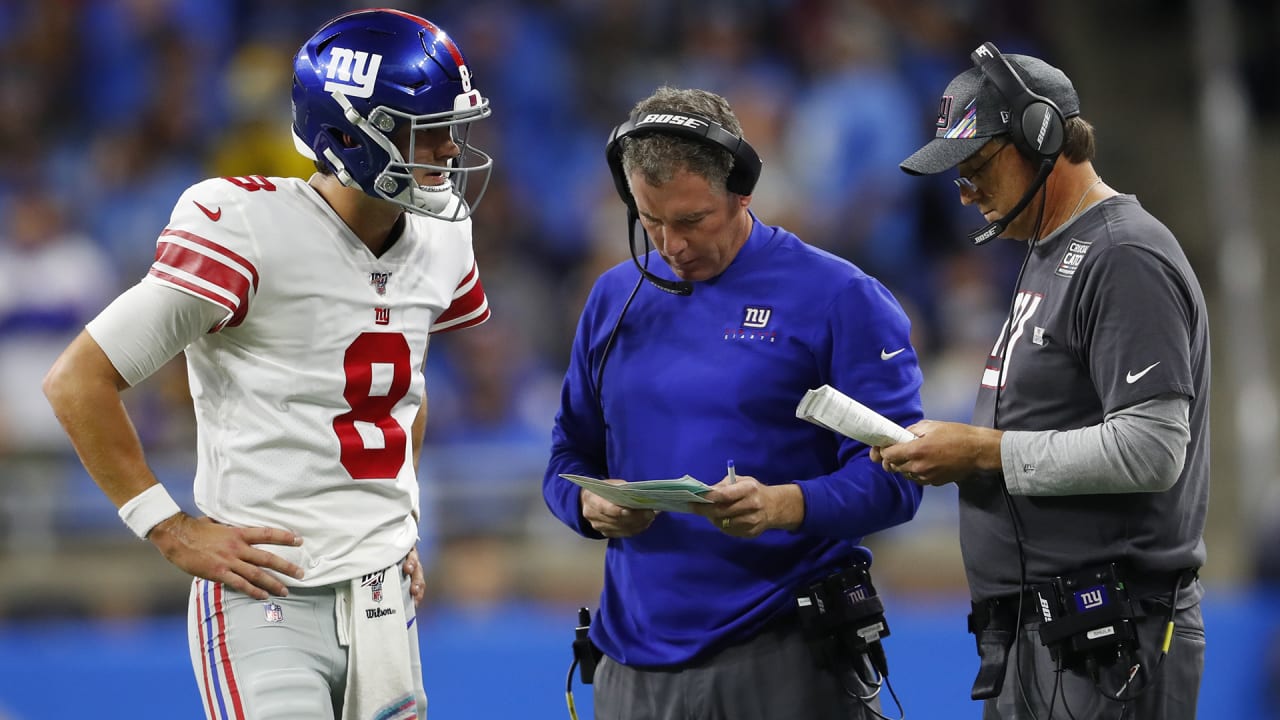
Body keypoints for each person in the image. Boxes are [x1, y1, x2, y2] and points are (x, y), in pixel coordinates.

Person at [42, 9, 493, 719]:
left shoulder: (443, 236)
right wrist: (168, 527)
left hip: (383, 598)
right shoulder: (246, 226)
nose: (447, 148)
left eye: (449, 126)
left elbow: (405, 388)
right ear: (349, 134)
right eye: (425, 129)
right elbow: (77, 380)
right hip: (269, 597)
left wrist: (395, 523)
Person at [542, 86, 925, 720]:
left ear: (742, 189)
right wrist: (587, 504)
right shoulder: (613, 298)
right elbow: (567, 453)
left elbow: (899, 480)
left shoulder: (839, 298)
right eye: (650, 220)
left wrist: (784, 504)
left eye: (692, 220)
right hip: (629, 664)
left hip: (785, 654)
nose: (671, 244)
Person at [879, 42, 1209, 719]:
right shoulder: (1051, 249)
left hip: (1113, 636)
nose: (965, 193)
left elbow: (1151, 448)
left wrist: (981, 452)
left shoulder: (1123, 255)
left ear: (1042, 139)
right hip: (1049, 635)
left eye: (975, 168)